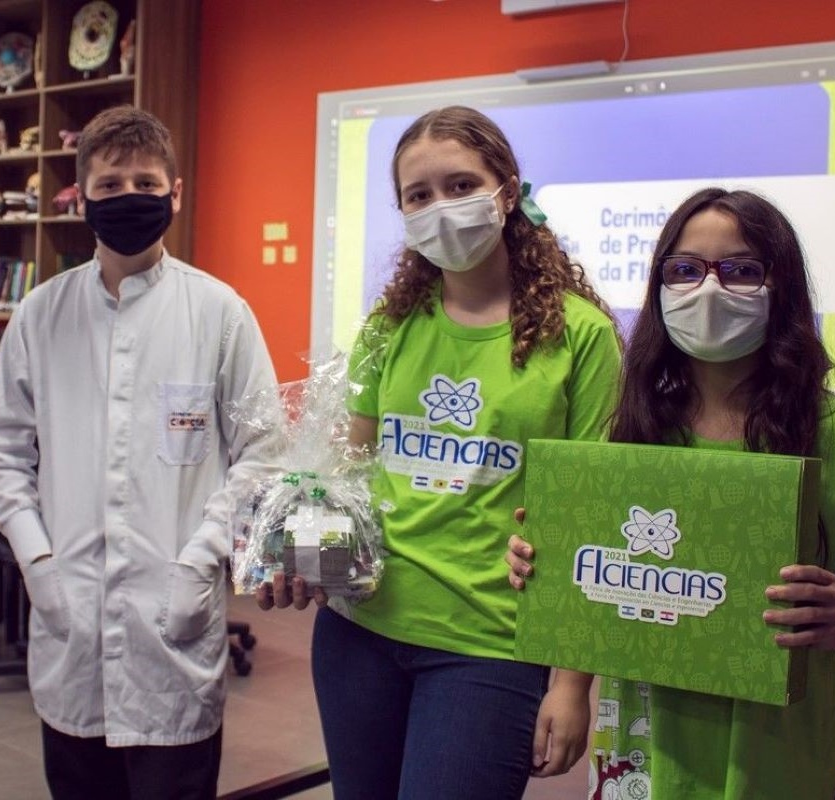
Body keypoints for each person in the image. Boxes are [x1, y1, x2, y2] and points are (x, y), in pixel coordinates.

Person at [260, 105, 622, 799]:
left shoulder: (582, 336)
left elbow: (591, 520)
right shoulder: (390, 327)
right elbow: (347, 479)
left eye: (461, 185)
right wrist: (301, 560)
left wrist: (574, 685)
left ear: (508, 193)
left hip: (489, 644)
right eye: (418, 195)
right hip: (358, 631)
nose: (441, 208)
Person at [506, 187, 835, 799]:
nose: (710, 289)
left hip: (774, 755)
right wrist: (552, 576)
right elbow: (595, 591)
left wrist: (833, 625)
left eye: (741, 269)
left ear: (783, 288)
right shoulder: (634, 430)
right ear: (660, 285)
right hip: (642, 742)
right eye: (686, 269)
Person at [0, 105, 280, 800]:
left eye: (145, 182)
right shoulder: (41, 314)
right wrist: (39, 563)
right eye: (109, 185)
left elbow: (263, 453)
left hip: (173, 622)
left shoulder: (219, 312)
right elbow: (1, 454)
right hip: (70, 620)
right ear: (82, 199)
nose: (128, 197)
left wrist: (201, 560)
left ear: (175, 193)